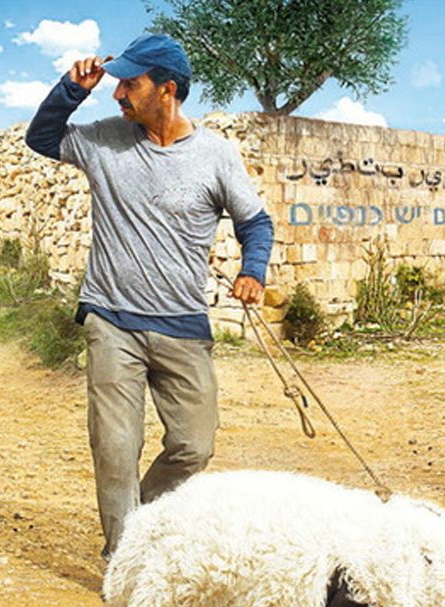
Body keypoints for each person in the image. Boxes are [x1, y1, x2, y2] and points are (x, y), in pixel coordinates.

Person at [25, 34, 274, 559]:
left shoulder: (215, 155)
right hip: (111, 319)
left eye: (130, 84)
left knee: (194, 445)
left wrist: (253, 271)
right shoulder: (104, 140)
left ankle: (139, 523)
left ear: (167, 90)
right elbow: (42, 139)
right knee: (116, 449)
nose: (118, 94)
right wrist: (72, 89)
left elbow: (256, 221)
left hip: (183, 325)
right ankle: (126, 562)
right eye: (117, 83)